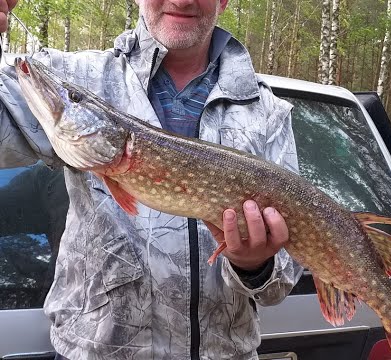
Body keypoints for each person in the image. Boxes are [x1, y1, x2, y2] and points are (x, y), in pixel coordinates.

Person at [0, 0, 302, 359]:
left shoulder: (266, 113)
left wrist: (254, 264)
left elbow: (279, 285)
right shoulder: (79, 78)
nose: (182, 0)